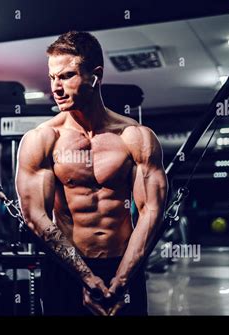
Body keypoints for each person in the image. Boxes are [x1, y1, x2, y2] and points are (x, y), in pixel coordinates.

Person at [15, 31, 168, 316]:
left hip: (124, 264)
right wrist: (85, 277)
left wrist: (122, 280)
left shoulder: (136, 137)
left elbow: (151, 211)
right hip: (67, 269)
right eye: (52, 78)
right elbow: (35, 215)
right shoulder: (42, 140)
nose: (56, 88)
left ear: (95, 75)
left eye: (66, 76)